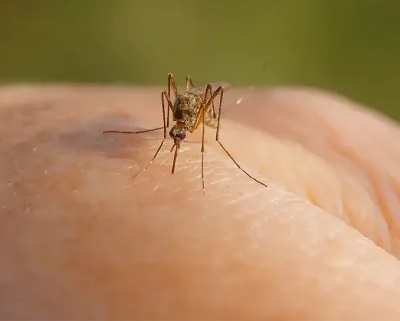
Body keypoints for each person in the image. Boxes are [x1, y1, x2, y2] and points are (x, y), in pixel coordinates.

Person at [1, 85, 400, 320]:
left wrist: (210, 136)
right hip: (181, 112)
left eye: (175, 134)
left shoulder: (192, 118)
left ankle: (213, 137)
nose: (176, 140)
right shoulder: (175, 119)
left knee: (203, 99)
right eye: (174, 134)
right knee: (168, 89)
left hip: (202, 117)